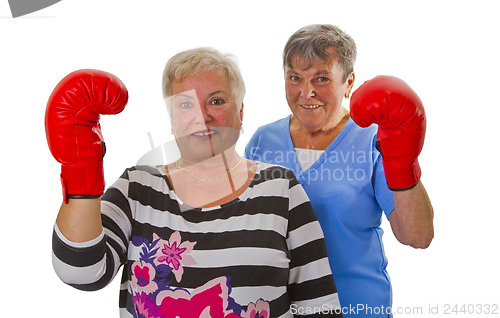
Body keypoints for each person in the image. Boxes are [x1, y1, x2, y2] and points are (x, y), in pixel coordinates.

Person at [47, 48, 343, 317]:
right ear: (172, 119)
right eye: (185, 104)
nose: (202, 116)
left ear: (240, 112)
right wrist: (81, 166)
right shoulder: (136, 188)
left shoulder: (281, 188)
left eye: (216, 101)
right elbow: (80, 272)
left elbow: (319, 305)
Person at [244, 24, 434, 317]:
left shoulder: (374, 140)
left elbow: (417, 236)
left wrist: (402, 160)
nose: (306, 93)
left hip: (356, 308)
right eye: (295, 78)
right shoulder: (263, 141)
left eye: (321, 79)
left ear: (349, 83)